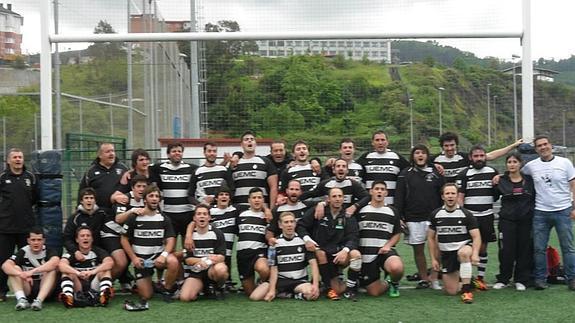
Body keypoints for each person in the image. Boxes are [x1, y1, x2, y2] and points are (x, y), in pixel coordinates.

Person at [521, 135, 575, 290]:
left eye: (545, 144)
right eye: (539, 146)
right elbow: (515, 172)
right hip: (541, 212)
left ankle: (571, 278)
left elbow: (573, 185)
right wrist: (498, 177)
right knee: (539, 248)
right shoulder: (531, 166)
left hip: (563, 210)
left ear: (551, 145)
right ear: (536, 149)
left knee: (568, 247)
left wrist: (574, 207)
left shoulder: (565, 163)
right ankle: (540, 278)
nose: (543, 147)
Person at [121, 185, 180, 310]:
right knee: (146, 295)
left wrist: (163, 255)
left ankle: (167, 290)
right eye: (151, 196)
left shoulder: (164, 218)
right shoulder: (134, 217)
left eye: (157, 196)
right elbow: (124, 239)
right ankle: (152, 284)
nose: (154, 199)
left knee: (173, 261)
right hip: (141, 260)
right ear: (145, 200)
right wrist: (134, 258)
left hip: (158, 258)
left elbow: (171, 240)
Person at [297, 187, 361, 301]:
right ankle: (327, 288)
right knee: (321, 254)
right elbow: (301, 226)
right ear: (328, 199)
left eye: (340, 196)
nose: (337, 199)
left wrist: (345, 251)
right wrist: (307, 240)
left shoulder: (347, 215)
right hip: (321, 253)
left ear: (343, 199)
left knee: (355, 254)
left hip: (338, 254)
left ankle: (351, 289)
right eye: (334, 196)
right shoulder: (318, 210)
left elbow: (354, 237)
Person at [395, 144, 444, 290]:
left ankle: (434, 277)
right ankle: (424, 278)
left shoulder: (436, 172)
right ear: (413, 156)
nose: (420, 155)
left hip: (433, 218)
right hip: (413, 217)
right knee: (418, 249)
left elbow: (443, 193)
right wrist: (399, 217)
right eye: (417, 153)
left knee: (438, 249)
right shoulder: (405, 174)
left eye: (423, 153)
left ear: (427, 155)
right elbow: (399, 197)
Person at [428, 183, 481, 304]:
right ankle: (469, 281)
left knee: (463, 253)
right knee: (450, 291)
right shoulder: (435, 214)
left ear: (457, 196)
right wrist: (434, 259)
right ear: (442, 196)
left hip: (463, 248)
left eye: (453, 193)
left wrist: (475, 253)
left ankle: (466, 291)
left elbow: (476, 236)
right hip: (447, 255)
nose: (450, 196)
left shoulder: (466, 214)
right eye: (447, 193)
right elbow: (430, 238)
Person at [250, 211, 320, 301]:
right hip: (280, 281)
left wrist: (315, 285)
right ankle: (282, 292)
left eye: (292, 222)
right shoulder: (274, 244)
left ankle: (292, 295)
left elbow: (313, 264)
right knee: (255, 297)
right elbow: (274, 269)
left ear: (295, 224)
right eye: (286, 222)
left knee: (312, 294)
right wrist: (271, 290)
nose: (289, 225)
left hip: (299, 281)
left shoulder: (304, 243)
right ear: (280, 225)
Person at [457, 145, 499, 290]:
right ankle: (464, 277)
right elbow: (460, 196)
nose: (479, 159)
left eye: (481, 156)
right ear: (471, 158)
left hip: (487, 215)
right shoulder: (464, 174)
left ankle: (480, 278)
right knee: (465, 247)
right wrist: (463, 215)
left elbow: (496, 193)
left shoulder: (492, 172)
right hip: (471, 217)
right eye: (476, 156)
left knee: (483, 247)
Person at [0, 148, 38, 302]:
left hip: (26, 228)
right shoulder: (2, 178)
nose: (18, 160)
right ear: (8, 161)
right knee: (3, 261)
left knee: (25, 261)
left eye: (20, 157)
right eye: (14, 157)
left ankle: (27, 291)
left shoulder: (31, 177)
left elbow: (34, 199)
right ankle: (1, 291)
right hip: (5, 227)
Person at [493, 153, 535, 291]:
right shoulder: (501, 180)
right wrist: (494, 180)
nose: (512, 164)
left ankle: (521, 279)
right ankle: (504, 279)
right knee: (506, 251)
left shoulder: (529, 180)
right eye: (509, 162)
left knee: (524, 250)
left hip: (525, 221)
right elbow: (493, 197)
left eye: (515, 161)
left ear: (520, 163)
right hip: (507, 222)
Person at [185, 185, 239, 291]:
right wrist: (188, 235)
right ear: (216, 198)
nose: (224, 197)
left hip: (225, 248)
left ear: (230, 197)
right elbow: (193, 222)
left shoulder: (235, 210)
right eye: (221, 195)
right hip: (212, 248)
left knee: (223, 269)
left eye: (226, 195)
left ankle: (221, 286)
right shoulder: (211, 211)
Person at [358, 181, 404, 297]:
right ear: (371, 191)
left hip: (384, 252)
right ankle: (387, 282)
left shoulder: (392, 211)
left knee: (396, 267)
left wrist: (388, 246)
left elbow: (397, 233)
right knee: (374, 292)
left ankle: (394, 282)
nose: (379, 191)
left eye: (382, 189)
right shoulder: (361, 210)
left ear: (386, 193)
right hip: (367, 255)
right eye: (377, 189)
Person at [105, 174, 149, 291]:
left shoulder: (147, 200)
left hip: (128, 235)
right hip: (112, 233)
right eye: (138, 186)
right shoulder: (125, 198)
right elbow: (118, 219)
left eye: (144, 186)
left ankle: (140, 282)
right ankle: (103, 286)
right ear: (132, 188)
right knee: (121, 262)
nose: (141, 189)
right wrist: (132, 211)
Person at [1, 227, 59, 311]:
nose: (36, 242)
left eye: (39, 240)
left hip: (45, 288)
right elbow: (5, 266)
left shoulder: (49, 250)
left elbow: (55, 262)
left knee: (51, 270)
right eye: (33, 240)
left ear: (44, 241)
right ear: (28, 241)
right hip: (28, 287)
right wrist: (21, 274)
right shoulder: (23, 251)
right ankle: (22, 299)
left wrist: (31, 272)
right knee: (15, 268)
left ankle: (39, 301)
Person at [150, 142, 198, 241]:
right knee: (170, 247)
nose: (177, 153)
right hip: (169, 214)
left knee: (188, 247)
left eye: (179, 151)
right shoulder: (159, 168)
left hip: (187, 213)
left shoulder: (192, 168)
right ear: (168, 154)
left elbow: (209, 170)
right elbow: (142, 168)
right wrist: (128, 172)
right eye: (174, 151)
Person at [180, 205, 228, 301]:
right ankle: (202, 288)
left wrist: (210, 261)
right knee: (185, 298)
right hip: (197, 272)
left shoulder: (217, 233)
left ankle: (219, 287)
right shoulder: (189, 237)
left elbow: (222, 257)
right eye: (199, 214)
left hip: (212, 270)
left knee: (221, 269)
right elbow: (188, 260)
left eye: (205, 214)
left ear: (209, 217)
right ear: (194, 218)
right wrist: (202, 260)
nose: (202, 216)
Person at [58, 226, 114, 308]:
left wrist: (92, 272)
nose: (85, 238)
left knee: (106, 270)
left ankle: (104, 297)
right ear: (77, 240)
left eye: (88, 236)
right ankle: (68, 297)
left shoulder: (97, 250)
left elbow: (110, 262)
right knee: (67, 272)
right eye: (82, 236)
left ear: (92, 239)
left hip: (94, 285)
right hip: (78, 286)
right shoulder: (73, 252)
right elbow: (61, 265)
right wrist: (78, 273)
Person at [433, 132, 522, 182]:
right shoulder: (434, 160)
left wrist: (513, 146)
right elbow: (420, 164)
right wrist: (434, 165)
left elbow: (491, 155)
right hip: (444, 196)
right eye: (446, 146)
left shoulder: (465, 157)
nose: (449, 148)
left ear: (456, 145)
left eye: (452, 145)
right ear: (442, 146)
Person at [357, 130, 409, 205]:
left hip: (391, 204)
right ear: (372, 142)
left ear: (387, 142)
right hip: (370, 205)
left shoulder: (397, 157)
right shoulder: (366, 157)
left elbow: (411, 170)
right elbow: (351, 167)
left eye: (382, 140)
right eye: (377, 140)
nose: (380, 142)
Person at [301, 159, 370, 214]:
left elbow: (367, 197)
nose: (341, 168)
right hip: (329, 218)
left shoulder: (353, 184)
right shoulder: (325, 184)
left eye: (343, 166)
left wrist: (355, 206)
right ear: (333, 170)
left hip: (346, 218)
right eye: (338, 166)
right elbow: (311, 194)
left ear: (347, 171)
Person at [236, 187, 270, 297]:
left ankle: (263, 281)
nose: (257, 200)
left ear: (263, 200)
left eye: (259, 197)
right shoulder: (241, 214)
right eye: (254, 198)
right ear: (249, 200)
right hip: (243, 254)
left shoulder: (267, 217)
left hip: (258, 251)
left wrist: (267, 209)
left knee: (263, 269)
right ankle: (259, 288)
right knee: (250, 293)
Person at [232, 130, 278, 208]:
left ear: (255, 143)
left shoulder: (266, 162)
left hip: (261, 209)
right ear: (241, 144)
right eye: (246, 139)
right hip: (240, 209)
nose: (249, 141)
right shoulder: (234, 163)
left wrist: (272, 209)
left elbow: (273, 187)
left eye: (252, 139)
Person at [78, 143, 128, 213]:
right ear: (100, 155)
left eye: (113, 151)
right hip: (98, 212)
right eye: (108, 152)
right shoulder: (91, 171)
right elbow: (82, 191)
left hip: (119, 211)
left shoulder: (123, 168)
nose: (111, 154)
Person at [63, 188, 106, 262]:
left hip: (97, 250)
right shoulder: (74, 218)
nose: (89, 200)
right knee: (63, 264)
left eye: (91, 198)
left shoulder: (102, 214)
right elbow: (66, 239)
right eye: (86, 198)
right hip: (78, 251)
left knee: (109, 263)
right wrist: (76, 251)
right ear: (81, 201)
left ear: (95, 201)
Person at [189, 142, 234, 206]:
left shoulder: (224, 170)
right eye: (209, 151)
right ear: (204, 153)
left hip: (221, 209)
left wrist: (219, 200)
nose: (212, 153)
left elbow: (232, 190)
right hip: (204, 211)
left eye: (214, 151)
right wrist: (200, 205)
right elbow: (190, 195)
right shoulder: (197, 172)